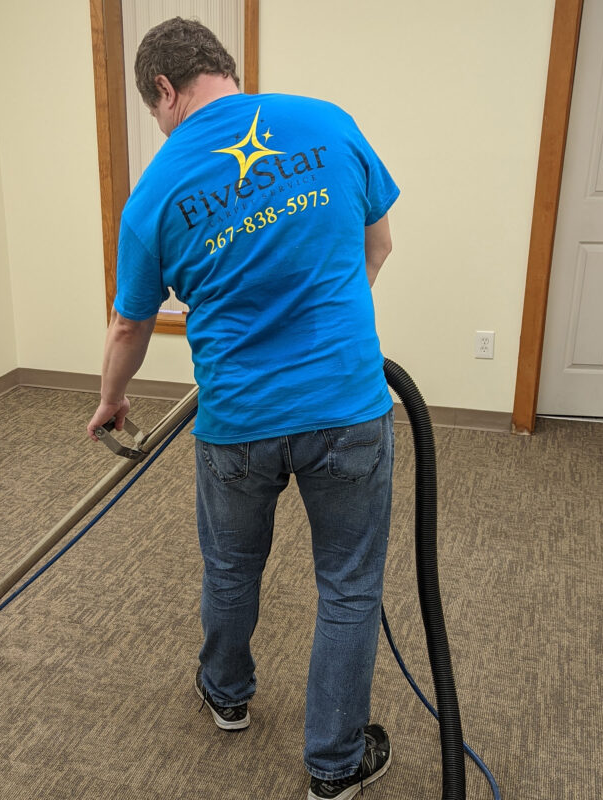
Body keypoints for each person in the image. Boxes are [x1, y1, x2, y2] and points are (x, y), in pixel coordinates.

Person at [85, 17, 399, 800]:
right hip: (348, 407)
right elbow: (380, 243)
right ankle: (335, 767)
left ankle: (227, 695)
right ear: (221, 68)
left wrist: (111, 401)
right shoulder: (326, 122)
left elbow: (129, 323)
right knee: (349, 586)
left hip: (238, 425)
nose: (159, 126)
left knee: (231, 565)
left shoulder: (153, 194)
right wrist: (322, 326)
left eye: (154, 110)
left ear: (165, 88)